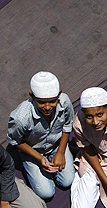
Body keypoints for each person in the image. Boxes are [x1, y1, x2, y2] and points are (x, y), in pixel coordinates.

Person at [7, 71, 76, 200]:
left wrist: (60, 152)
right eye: (41, 103)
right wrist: (39, 158)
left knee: (67, 181)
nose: (47, 107)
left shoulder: (64, 102)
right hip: (33, 150)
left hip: (56, 145)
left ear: (59, 95)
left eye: (52, 101)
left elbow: (67, 125)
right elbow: (15, 141)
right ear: (32, 96)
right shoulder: (20, 118)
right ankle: (30, 165)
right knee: (46, 193)